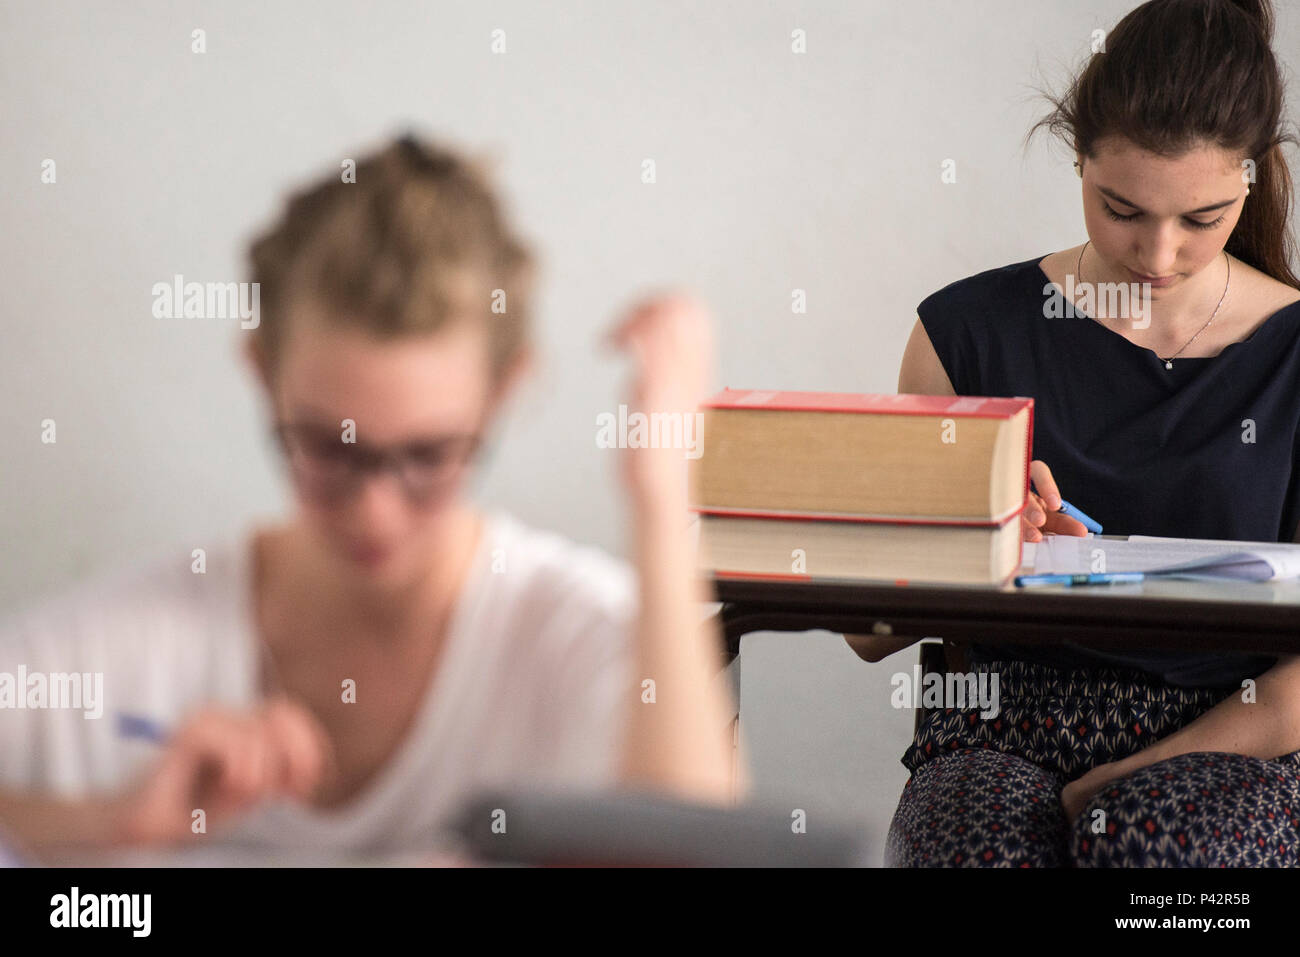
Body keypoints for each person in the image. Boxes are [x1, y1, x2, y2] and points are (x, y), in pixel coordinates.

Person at [0, 134, 738, 858]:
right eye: (328, 447)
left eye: (429, 455)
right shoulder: (138, 641)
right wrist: (105, 820)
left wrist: (661, 499)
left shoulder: (571, 635)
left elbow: (694, 845)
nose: (374, 510)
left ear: (504, 392)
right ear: (263, 375)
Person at [860, 0, 1300, 866]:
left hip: (1237, 736)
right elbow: (865, 632)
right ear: (1078, 158)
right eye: (1121, 208)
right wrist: (974, 546)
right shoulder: (965, 334)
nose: (1160, 255)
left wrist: (1119, 780)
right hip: (991, 724)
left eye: (1201, 220)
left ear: (1251, 179)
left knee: (1145, 846)